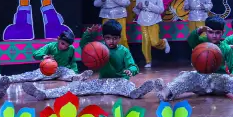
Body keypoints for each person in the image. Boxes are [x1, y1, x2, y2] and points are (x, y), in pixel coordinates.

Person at [23, 21, 159, 99]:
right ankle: (44, 94)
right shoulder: (99, 47)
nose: (112, 41)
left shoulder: (123, 51)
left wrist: (130, 70)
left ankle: (136, 93)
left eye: (115, 38)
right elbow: (84, 45)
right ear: (104, 37)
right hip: (102, 82)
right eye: (108, 38)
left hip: (119, 81)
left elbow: (133, 66)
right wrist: (88, 34)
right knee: (76, 88)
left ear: (119, 38)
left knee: (127, 86)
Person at [160, 16, 233, 100]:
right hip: (201, 80)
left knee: (229, 80)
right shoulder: (201, 42)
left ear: (223, 32)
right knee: (187, 76)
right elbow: (191, 39)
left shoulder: (226, 47)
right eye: (211, 32)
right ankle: (167, 91)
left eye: (217, 33)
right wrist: (199, 30)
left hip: (219, 81)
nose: (214, 35)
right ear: (206, 32)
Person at [4, 30, 88, 83]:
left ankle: (77, 77)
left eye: (66, 46)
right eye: (62, 43)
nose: (64, 47)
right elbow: (35, 54)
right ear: (58, 39)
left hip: (63, 70)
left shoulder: (71, 49)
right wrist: (43, 56)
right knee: (31, 76)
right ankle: (9, 79)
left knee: (70, 74)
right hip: (49, 70)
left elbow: (72, 62)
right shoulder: (51, 46)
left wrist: (75, 72)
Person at [136, 0, 171, 68]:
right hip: (143, 21)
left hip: (154, 21)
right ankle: (148, 61)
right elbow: (137, 11)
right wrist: (138, 7)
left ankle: (163, 43)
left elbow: (161, 10)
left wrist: (150, 5)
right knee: (145, 42)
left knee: (154, 42)